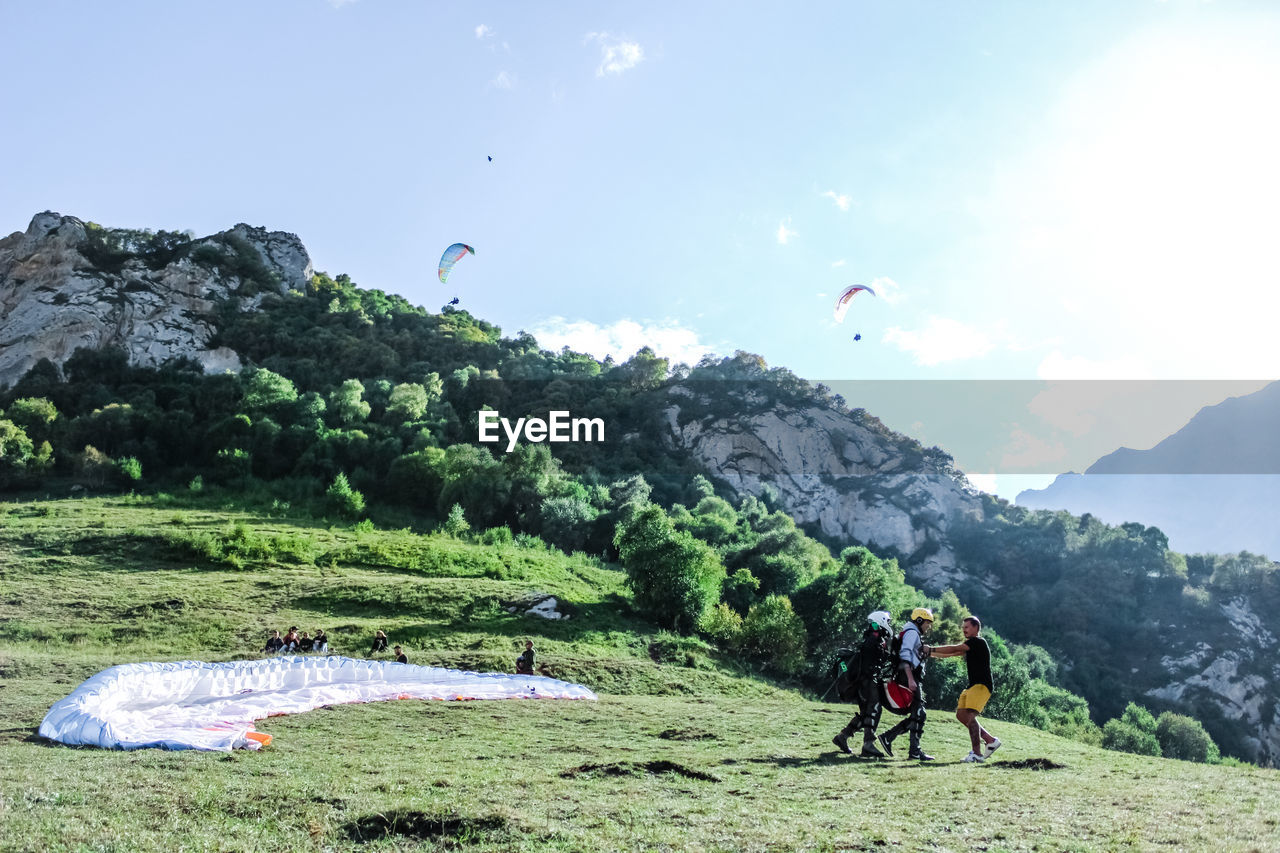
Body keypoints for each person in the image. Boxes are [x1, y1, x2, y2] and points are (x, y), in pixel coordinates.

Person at [929, 616, 1001, 762]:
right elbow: (952, 653)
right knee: (961, 715)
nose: (964, 630)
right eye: (963, 628)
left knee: (969, 716)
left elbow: (955, 648)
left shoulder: (977, 642)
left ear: (976, 628)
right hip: (973, 685)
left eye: (967, 627)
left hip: (981, 685)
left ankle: (977, 754)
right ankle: (990, 740)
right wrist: (929, 653)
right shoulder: (970, 645)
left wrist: (930, 648)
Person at [832, 610, 894, 757]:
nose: (889, 624)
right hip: (868, 682)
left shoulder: (872, 637)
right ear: (881, 622)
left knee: (866, 713)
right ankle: (868, 744)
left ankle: (842, 737)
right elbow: (874, 662)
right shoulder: (875, 639)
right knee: (874, 709)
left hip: (863, 682)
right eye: (887, 621)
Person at [878, 607, 936, 761]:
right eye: (927, 623)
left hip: (908, 675)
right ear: (919, 620)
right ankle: (912, 750)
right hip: (908, 676)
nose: (928, 626)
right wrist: (910, 679)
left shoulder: (910, 632)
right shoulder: (912, 633)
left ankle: (889, 738)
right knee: (919, 713)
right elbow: (905, 655)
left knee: (918, 714)